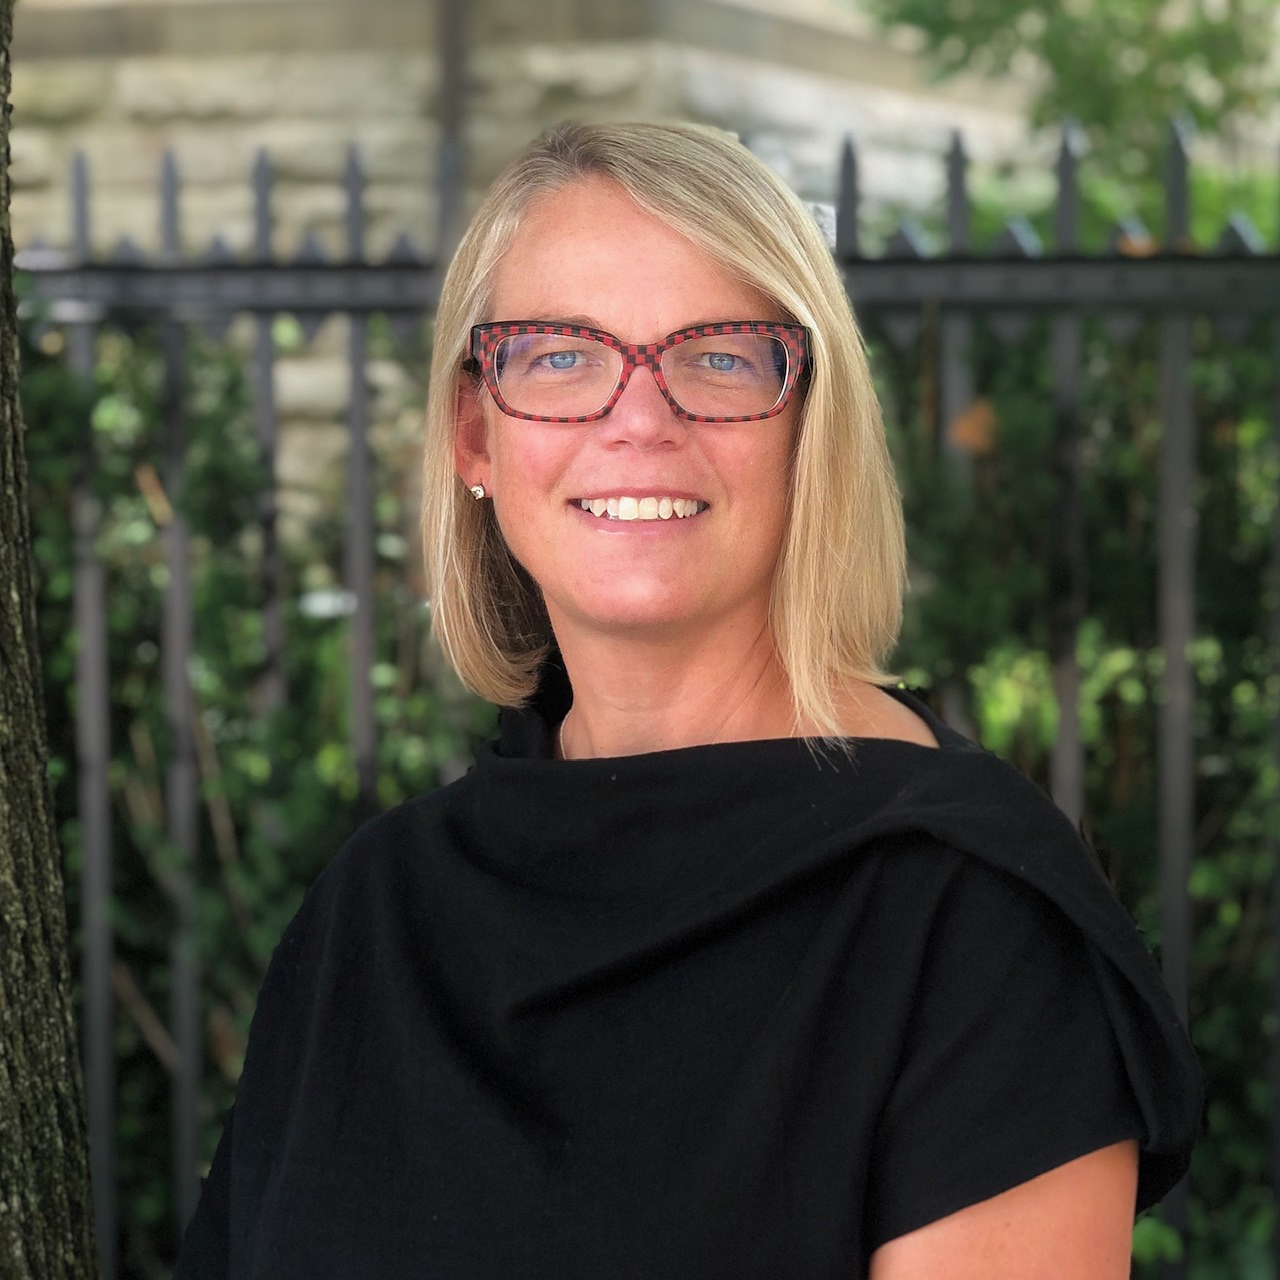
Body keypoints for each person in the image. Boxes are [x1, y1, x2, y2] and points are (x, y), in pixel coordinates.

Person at [175, 121, 1201, 1279]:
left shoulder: (967, 911)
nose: (638, 418)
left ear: (810, 426)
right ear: (475, 430)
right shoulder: (372, 912)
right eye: (559, 354)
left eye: (719, 355)